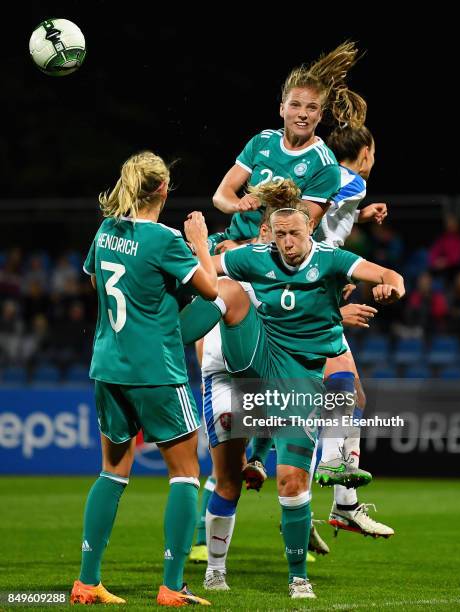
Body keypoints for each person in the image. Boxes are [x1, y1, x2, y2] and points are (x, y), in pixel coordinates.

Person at [180, 179, 405, 599]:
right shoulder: (253, 256)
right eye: (279, 233)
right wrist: (194, 247)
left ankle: (298, 575)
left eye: (294, 234)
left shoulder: (332, 259)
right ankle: (214, 569)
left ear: (309, 233)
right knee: (225, 480)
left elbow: (387, 272)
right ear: (270, 231)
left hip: (295, 381)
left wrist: (392, 285)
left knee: (292, 482)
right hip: (247, 368)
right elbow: (201, 273)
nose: (286, 242)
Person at [69, 151, 217, 606]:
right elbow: (210, 291)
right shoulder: (166, 240)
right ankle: (172, 587)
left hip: (108, 368)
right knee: (187, 474)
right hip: (157, 371)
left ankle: (87, 581)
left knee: (112, 471)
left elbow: (97, 284)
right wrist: (200, 244)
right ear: (164, 190)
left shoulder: (106, 230)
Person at [247, 126, 395, 538]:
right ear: (366, 152)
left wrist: (359, 214)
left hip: (307, 297)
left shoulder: (344, 188)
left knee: (345, 397)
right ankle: (319, 498)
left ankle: (332, 502)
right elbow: (302, 225)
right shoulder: (345, 179)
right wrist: (327, 295)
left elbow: (322, 218)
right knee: (332, 396)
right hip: (304, 302)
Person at [210, 40, 367, 254]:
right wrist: (238, 204)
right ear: (282, 109)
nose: (302, 114)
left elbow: (297, 233)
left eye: (311, 108)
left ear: (320, 115)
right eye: (295, 105)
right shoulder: (262, 141)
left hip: (270, 256)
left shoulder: (325, 165)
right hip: (230, 241)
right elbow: (221, 196)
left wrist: (242, 248)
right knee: (178, 259)